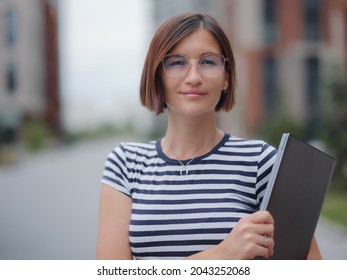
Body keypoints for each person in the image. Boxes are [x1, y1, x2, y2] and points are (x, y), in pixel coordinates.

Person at [96, 13, 322, 260]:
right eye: (176, 62)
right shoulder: (126, 164)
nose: (193, 77)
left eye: (208, 62)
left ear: (226, 77)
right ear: (157, 76)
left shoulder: (262, 162)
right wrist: (224, 253)